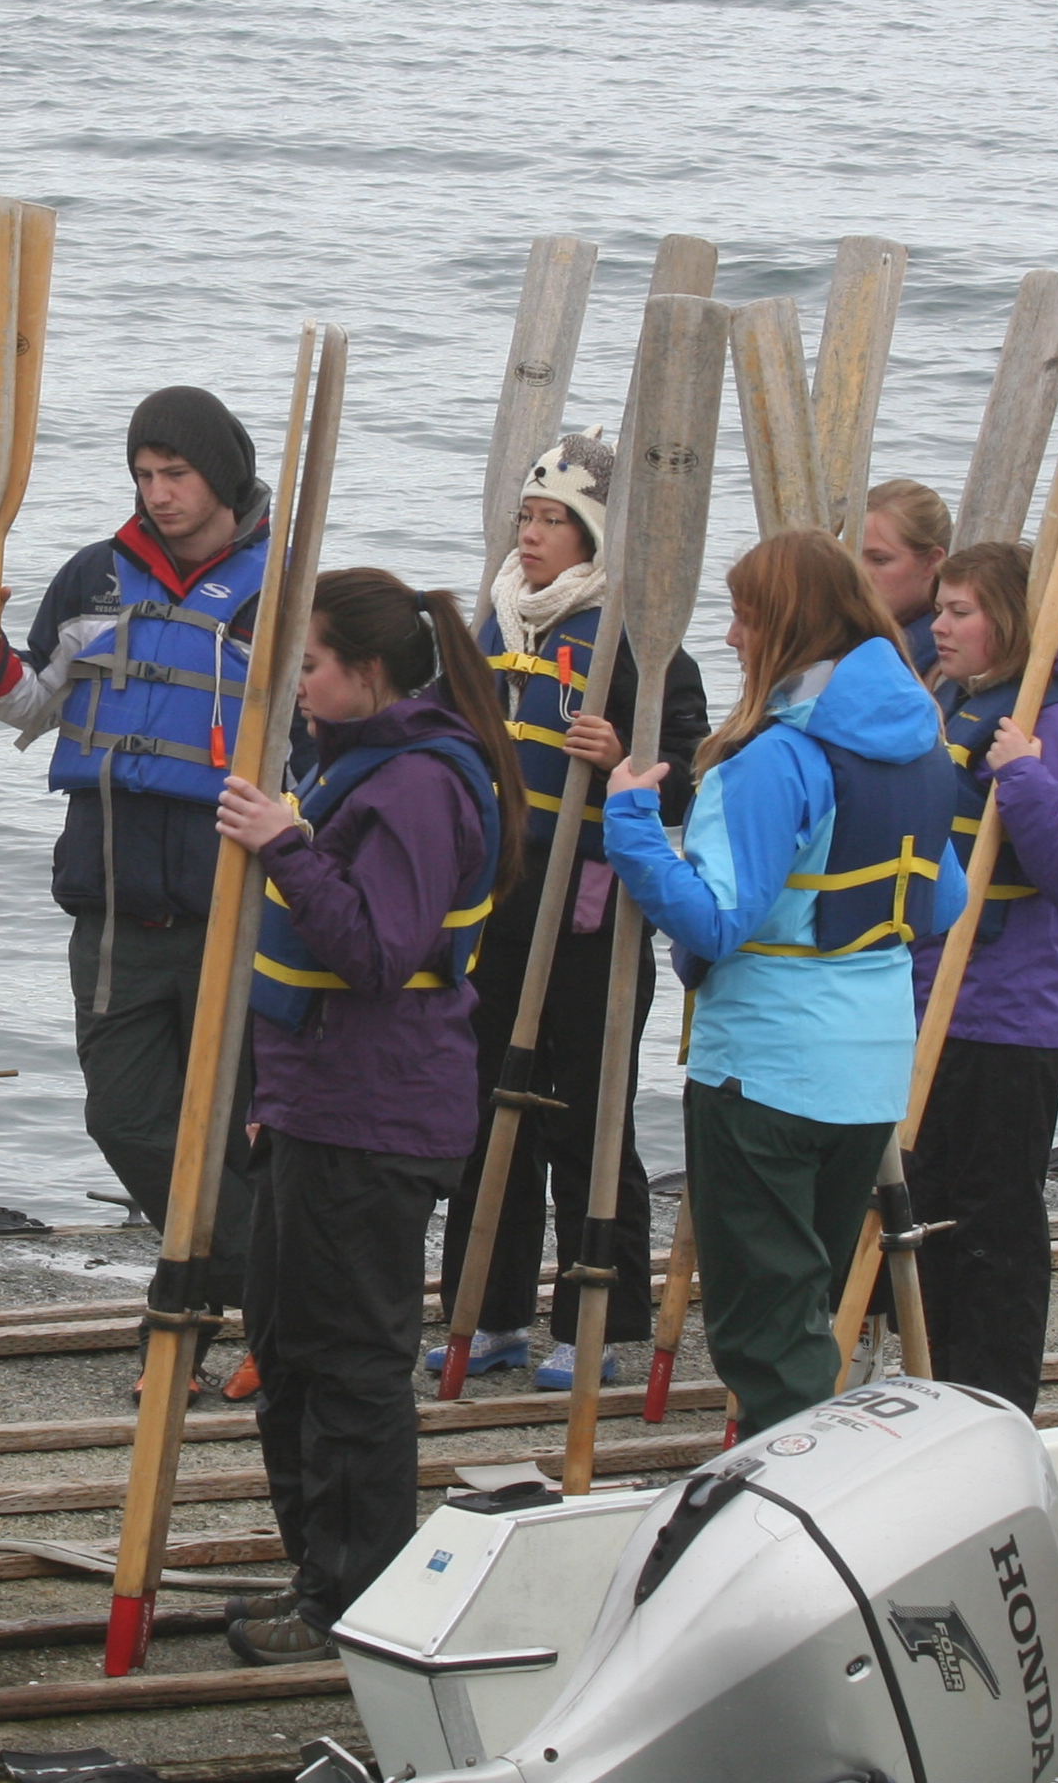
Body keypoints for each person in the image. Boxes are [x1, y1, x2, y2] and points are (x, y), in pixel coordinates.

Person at [211, 568, 525, 1664]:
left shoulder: (419, 787)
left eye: (309, 665)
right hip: (315, 1099)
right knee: (286, 1349)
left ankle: (357, 1598)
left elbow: (380, 954)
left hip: (377, 1110)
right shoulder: (355, 762)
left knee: (349, 1363)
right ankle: (320, 1576)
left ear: (369, 670)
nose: (296, 685)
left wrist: (283, 845)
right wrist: (270, 1101)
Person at [593, 529, 964, 1436]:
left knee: (765, 1328)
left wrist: (633, 825)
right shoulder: (924, 744)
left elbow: (717, 921)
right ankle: (818, 1463)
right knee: (809, 1302)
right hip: (871, 1066)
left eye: (745, 620)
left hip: (766, 1070)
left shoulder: (773, 760)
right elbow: (944, 901)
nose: (731, 638)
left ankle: (800, 1491)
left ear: (789, 628)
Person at [0, 386, 270, 1307]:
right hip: (114, 905)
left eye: (176, 474)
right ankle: (255, 1286)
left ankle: (224, 1306)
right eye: (143, 474)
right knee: (125, 1119)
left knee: (240, 1127)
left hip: (237, 909)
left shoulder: (285, 590)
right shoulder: (94, 575)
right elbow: (29, 705)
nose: (157, 492)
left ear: (222, 477)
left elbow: (327, 735)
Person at [432, 429, 708, 1392]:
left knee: (589, 1121)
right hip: (495, 911)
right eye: (527, 516)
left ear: (594, 536)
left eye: (554, 520)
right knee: (486, 1115)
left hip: (594, 920)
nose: (534, 534)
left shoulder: (636, 635)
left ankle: (601, 1318)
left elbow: (685, 773)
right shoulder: (496, 621)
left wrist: (621, 759)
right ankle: (489, 1312)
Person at [909, 539, 1058, 1412]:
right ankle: (931, 1390)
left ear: (1008, 620)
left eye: (960, 611)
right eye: (939, 607)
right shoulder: (955, 697)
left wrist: (1024, 776)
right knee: (925, 1213)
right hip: (933, 1001)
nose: (940, 626)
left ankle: (995, 1402)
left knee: (992, 1224)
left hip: (1010, 1013)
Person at [858, 478, 954, 676]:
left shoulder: (947, 656)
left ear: (931, 562)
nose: (859, 572)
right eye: (851, 555)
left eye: (879, 560)